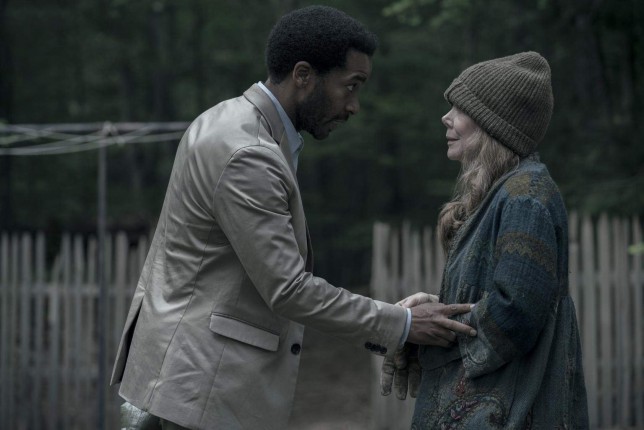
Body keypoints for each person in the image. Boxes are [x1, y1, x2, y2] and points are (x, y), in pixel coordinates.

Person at [111, 6, 477, 430]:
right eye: (350, 86)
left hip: (185, 380)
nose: (354, 106)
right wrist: (405, 324)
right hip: (201, 390)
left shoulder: (229, 121)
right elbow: (287, 289)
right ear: (303, 75)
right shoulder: (248, 153)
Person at [381, 52, 589, 428]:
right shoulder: (506, 192)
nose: (446, 117)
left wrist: (428, 331)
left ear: (494, 123)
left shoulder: (526, 195)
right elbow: (496, 298)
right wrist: (436, 307)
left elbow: (515, 312)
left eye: (460, 108)